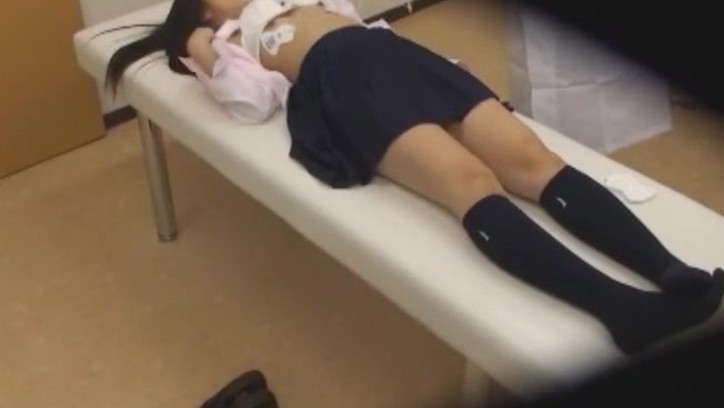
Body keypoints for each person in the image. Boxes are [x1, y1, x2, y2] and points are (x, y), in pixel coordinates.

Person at [103, 0, 724, 355]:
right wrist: (204, 49)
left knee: (532, 160)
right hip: (337, 80)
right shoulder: (228, 39)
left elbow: (352, 17)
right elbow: (251, 103)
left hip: (396, 56)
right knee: (469, 180)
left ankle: (670, 270)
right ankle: (621, 310)